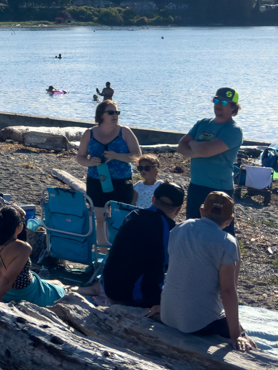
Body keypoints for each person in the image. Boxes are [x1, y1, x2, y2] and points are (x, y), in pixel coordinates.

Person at [160, 192, 256, 352]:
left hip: (167, 314)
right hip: (197, 324)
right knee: (246, 341)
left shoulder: (181, 227)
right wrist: (236, 334)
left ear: (202, 211)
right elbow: (228, 291)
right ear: (229, 220)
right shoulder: (227, 242)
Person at [100, 182, 185, 307]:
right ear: (178, 210)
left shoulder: (133, 215)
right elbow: (171, 266)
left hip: (108, 286)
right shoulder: (170, 229)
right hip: (133, 296)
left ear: (153, 199)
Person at [177, 87, 243, 235]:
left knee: (223, 234)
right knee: (193, 229)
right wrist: (201, 150)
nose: (218, 104)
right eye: (216, 100)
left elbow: (204, 151)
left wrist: (194, 145)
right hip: (196, 186)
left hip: (220, 189)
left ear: (233, 106)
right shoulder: (202, 123)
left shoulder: (233, 130)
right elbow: (181, 147)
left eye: (224, 102)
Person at [76, 100, 141, 246]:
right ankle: (103, 251)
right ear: (101, 115)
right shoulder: (89, 133)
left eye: (117, 112)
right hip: (97, 180)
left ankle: (119, 250)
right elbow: (80, 157)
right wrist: (90, 162)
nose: (115, 115)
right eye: (111, 112)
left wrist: (116, 155)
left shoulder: (125, 131)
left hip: (122, 180)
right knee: (100, 218)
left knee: (121, 217)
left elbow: (137, 155)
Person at [0, 205, 66, 306]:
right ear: (18, 227)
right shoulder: (23, 248)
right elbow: (7, 280)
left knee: (57, 282)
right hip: (27, 294)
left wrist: (12, 211)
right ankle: (89, 290)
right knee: (61, 289)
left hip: (7, 291)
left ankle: (87, 289)